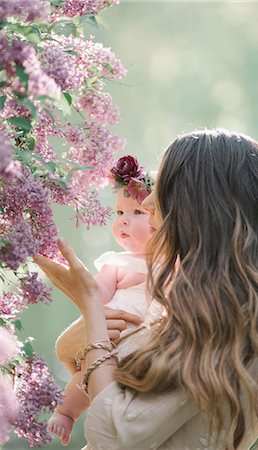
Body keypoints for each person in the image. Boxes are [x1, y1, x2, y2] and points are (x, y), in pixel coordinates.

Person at [35, 129, 258, 450]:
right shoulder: (182, 302)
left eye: (164, 188)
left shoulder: (222, 326)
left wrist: (90, 303)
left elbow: (117, 437)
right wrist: (90, 322)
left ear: (201, 209)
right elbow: (73, 359)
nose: (145, 201)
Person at [47, 155, 155, 446]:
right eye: (119, 212)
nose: (123, 220)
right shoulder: (117, 263)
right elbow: (93, 295)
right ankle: (66, 414)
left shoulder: (174, 262)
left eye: (136, 212)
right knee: (83, 379)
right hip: (109, 340)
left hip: (146, 349)